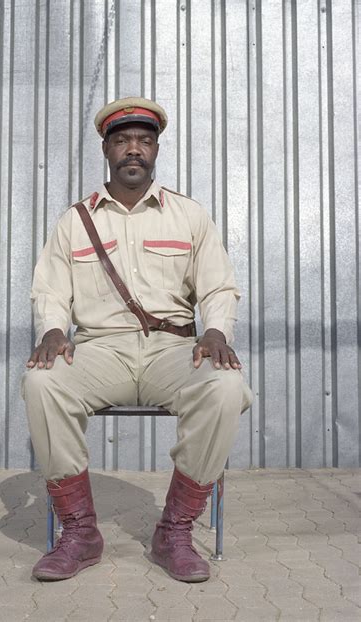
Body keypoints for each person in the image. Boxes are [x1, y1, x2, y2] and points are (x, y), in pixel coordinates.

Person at [21, 96, 252, 583]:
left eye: (144, 141)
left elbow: (217, 285)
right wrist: (52, 330)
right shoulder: (74, 220)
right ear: (106, 149)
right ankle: (80, 533)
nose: (134, 150)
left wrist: (215, 330)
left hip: (173, 351)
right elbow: (50, 289)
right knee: (43, 383)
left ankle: (175, 531)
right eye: (123, 141)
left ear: (156, 151)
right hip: (101, 350)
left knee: (226, 386)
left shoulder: (189, 215)